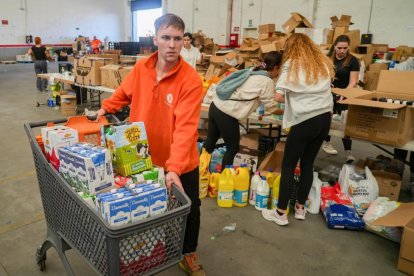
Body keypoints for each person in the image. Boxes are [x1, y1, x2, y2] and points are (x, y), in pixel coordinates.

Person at [95, 14, 205, 275]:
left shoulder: (190, 81)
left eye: (177, 39)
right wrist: (104, 108)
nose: (171, 44)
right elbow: (123, 93)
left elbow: (186, 129)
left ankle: (187, 253)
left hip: (180, 162)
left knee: (190, 209)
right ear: (155, 39)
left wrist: (175, 168)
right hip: (141, 157)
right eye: (166, 38)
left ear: (183, 42)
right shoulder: (142, 68)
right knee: (144, 207)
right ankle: (147, 248)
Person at [262, 33, 334, 226]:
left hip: (304, 120)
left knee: (288, 166)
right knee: (307, 164)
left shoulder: (291, 65)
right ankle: (300, 208)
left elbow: (278, 97)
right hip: (324, 119)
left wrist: (292, 96)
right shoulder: (323, 64)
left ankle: (280, 213)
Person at [203, 51, 283, 168]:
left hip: (215, 105)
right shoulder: (267, 82)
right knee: (232, 148)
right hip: (226, 113)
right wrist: (288, 111)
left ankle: (200, 172)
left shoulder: (253, 71)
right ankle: (225, 180)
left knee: (209, 143)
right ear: (276, 67)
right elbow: (272, 108)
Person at [321, 35, 360, 163]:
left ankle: (348, 151)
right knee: (327, 118)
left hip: (345, 93)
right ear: (335, 47)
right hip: (329, 93)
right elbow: (323, 76)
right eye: (339, 48)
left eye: (345, 48)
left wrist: (344, 93)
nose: (342, 51)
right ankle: (326, 143)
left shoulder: (353, 61)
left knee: (345, 122)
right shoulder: (328, 59)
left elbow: (353, 81)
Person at [393, 56, 414, 201]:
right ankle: (396, 174)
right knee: (400, 143)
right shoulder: (404, 66)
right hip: (405, 109)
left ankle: (412, 177)